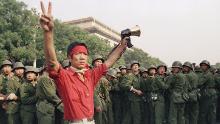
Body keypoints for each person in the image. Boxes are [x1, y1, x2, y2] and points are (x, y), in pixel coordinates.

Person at [39, 2, 128, 123]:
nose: (82, 57)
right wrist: (48, 33)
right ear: (69, 58)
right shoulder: (64, 76)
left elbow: (108, 62)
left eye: (85, 54)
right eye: (78, 54)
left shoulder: (90, 75)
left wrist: (121, 46)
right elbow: (52, 61)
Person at [0, 60, 14, 124]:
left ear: (11, 68)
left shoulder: (14, 77)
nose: (6, 69)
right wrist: (4, 98)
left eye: (8, 67)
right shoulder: (0, 78)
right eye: (5, 67)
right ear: (2, 68)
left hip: (12, 103)